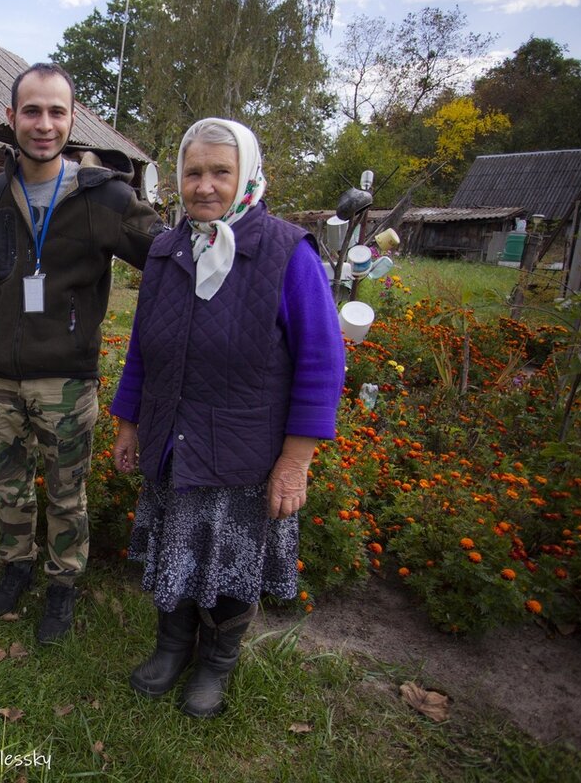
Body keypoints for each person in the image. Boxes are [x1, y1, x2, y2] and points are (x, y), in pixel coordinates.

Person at [110, 117, 344, 717]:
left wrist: (296, 462)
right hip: (173, 438)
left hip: (244, 450)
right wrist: (129, 423)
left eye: (221, 172)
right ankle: (171, 648)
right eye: (193, 172)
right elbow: (143, 346)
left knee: (231, 563)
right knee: (175, 552)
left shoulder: (286, 251)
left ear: (247, 176)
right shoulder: (166, 249)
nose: (205, 185)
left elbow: (322, 359)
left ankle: (216, 663)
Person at [0, 63, 164, 643]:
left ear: (72, 119)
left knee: (68, 491)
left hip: (68, 383)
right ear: (11, 118)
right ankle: (16, 567)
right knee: (10, 484)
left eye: (56, 112)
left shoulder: (106, 198)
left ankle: (63, 584)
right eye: (31, 111)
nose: (43, 124)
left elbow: (170, 258)